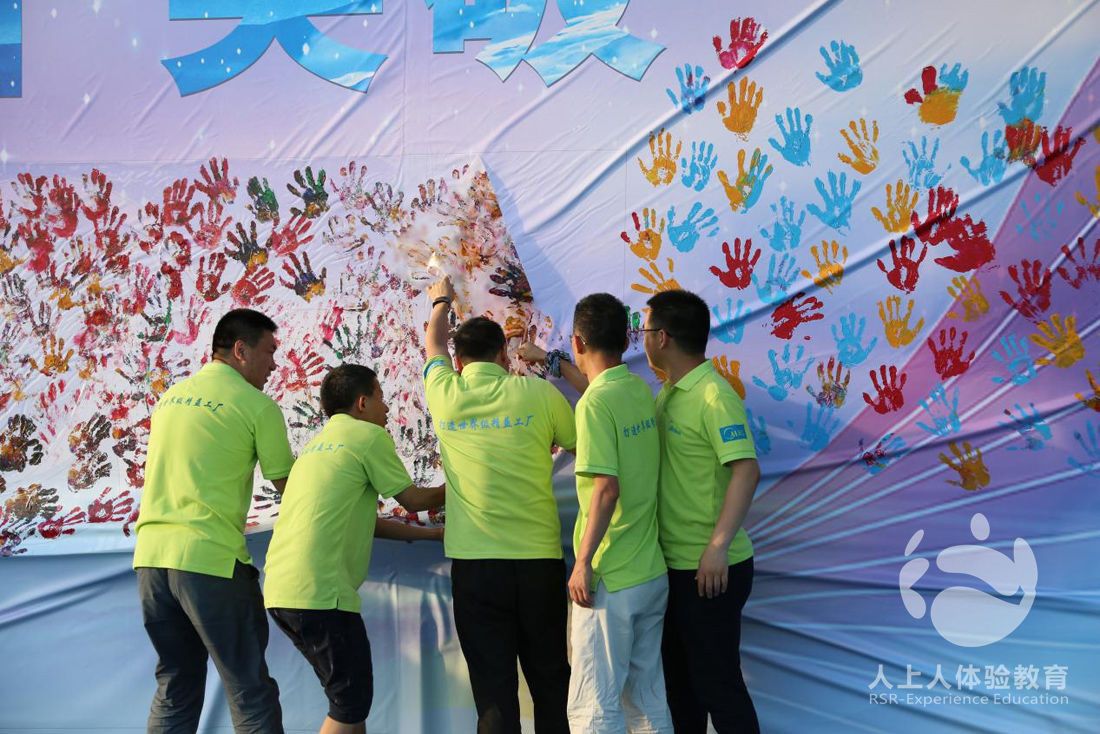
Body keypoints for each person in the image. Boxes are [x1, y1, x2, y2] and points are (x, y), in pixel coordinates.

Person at [423, 276, 576, 734]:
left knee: (493, 693)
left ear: (458, 362)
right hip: (538, 563)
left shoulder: (445, 394)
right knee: (552, 682)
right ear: (504, 357)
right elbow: (579, 443)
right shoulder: (538, 393)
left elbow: (433, 342)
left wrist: (441, 298)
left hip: (476, 567)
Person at [133, 308, 294, 733]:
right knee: (250, 690)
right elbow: (290, 488)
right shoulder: (257, 405)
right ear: (241, 350)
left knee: (176, 685)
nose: (274, 364)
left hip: (151, 562)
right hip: (211, 563)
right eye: (269, 351)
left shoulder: (170, 398)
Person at [263, 363, 445, 734]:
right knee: (349, 705)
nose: (387, 407)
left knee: (349, 703)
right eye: (381, 397)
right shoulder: (367, 436)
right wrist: (463, 482)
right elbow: (413, 500)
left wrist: (431, 535)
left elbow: (362, 522)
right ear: (362, 403)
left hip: (283, 591)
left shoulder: (315, 447)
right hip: (321, 594)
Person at [521, 293, 672, 733]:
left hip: (609, 579)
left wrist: (583, 562)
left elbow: (606, 489)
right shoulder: (637, 389)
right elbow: (597, 393)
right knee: (646, 703)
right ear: (626, 341)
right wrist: (553, 362)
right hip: (649, 572)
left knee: (593, 711)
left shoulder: (595, 405)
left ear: (578, 342)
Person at [642, 289, 762, 734]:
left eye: (644, 329)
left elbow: (746, 470)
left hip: (711, 569)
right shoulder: (670, 392)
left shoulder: (713, 395)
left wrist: (717, 547)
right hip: (673, 566)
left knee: (718, 686)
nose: (641, 338)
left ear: (663, 337)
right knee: (680, 689)